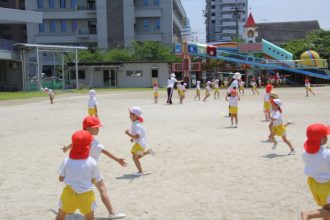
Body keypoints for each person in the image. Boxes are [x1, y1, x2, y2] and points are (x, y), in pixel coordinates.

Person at [62, 116, 127, 219]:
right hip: (90, 170)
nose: (98, 129)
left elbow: (74, 142)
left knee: (74, 189)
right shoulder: (94, 142)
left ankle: (69, 212)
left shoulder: (80, 136)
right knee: (102, 189)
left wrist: (67, 148)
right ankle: (112, 213)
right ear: (88, 129)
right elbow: (105, 151)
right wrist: (118, 159)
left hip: (78, 169)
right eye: (96, 127)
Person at [56, 130, 100, 220]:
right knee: (90, 218)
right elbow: (93, 180)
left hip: (69, 193)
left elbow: (60, 178)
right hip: (86, 195)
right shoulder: (92, 162)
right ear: (89, 146)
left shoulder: (67, 160)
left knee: (60, 216)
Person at [301, 123, 330, 220]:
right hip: (327, 185)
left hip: (314, 183)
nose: (327, 137)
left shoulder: (305, 154)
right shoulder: (327, 154)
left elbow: (317, 161)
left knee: (326, 209)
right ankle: (308, 214)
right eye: (326, 136)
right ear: (322, 139)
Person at [125, 107, 155, 175]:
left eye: (130, 114)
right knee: (135, 156)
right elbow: (138, 135)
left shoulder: (136, 125)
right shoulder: (136, 123)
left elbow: (137, 136)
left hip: (140, 144)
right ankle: (147, 152)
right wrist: (133, 139)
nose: (129, 116)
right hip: (141, 143)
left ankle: (140, 171)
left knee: (134, 158)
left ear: (135, 116)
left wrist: (128, 134)